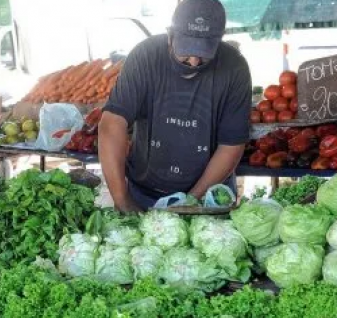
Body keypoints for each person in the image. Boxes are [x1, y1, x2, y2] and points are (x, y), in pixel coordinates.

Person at [98, 0, 252, 212]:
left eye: (204, 52)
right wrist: (122, 200)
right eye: (186, 51)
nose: (194, 61)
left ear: (219, 40)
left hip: (208, 197)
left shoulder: (234, 67)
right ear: (170, 35)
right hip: (144, 193)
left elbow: (231, 145)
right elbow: (111, 124)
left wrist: (190, 201)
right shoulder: (145, 56)